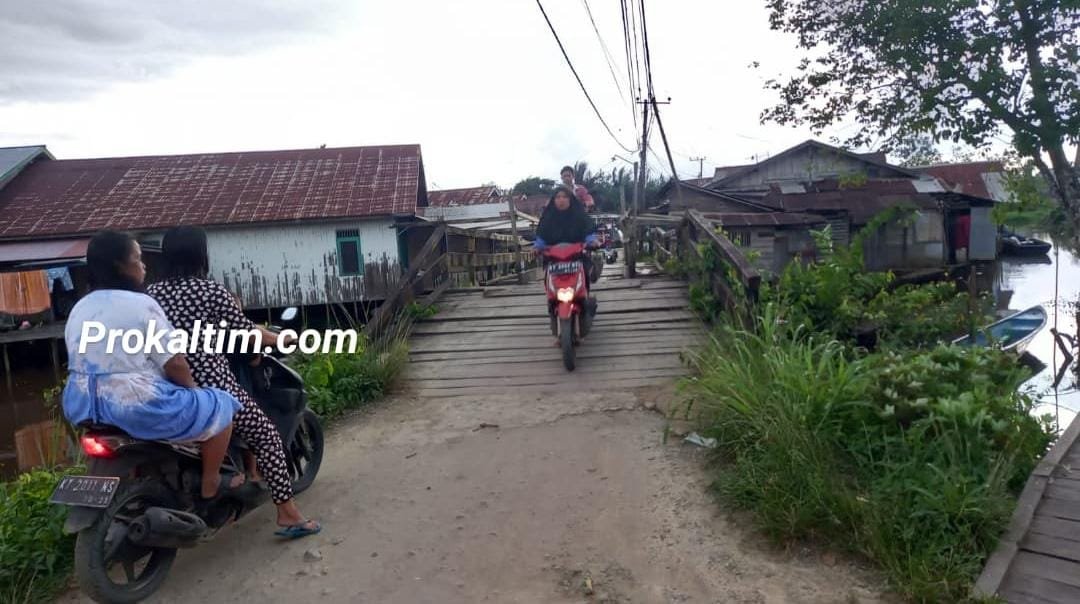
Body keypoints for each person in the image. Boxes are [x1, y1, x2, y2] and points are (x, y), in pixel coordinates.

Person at [146, 226, 321, 539]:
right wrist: (282, 338)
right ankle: (287, 513)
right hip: (211, 384)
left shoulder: (152, 295)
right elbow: (248, 332)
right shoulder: (211, 292)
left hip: (165, 384)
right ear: (202, 255)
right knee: (266, 436)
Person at [61, 231, 244, 501]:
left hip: (81, 403)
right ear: (119, 266)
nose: (143, 265)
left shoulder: (80, 307)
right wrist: (194, 390)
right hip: (131, 404)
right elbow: (175, 364)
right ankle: (211, 481)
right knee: (221, 404)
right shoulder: (142, 304)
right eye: (138, 259)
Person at [534, 187, 600, 340]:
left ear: (570, 200)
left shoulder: (578, 216)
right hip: (554, 260)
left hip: (576, 257)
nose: (561, 200)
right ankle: (553, 312)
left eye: (565, 197)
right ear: (554, 200)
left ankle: (585, 300)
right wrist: (537, 247)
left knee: (586, 271)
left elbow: (588, 232)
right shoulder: (548, 218)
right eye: (558, 197)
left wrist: (592, 241)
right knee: (548, 283)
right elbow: (541, 237)